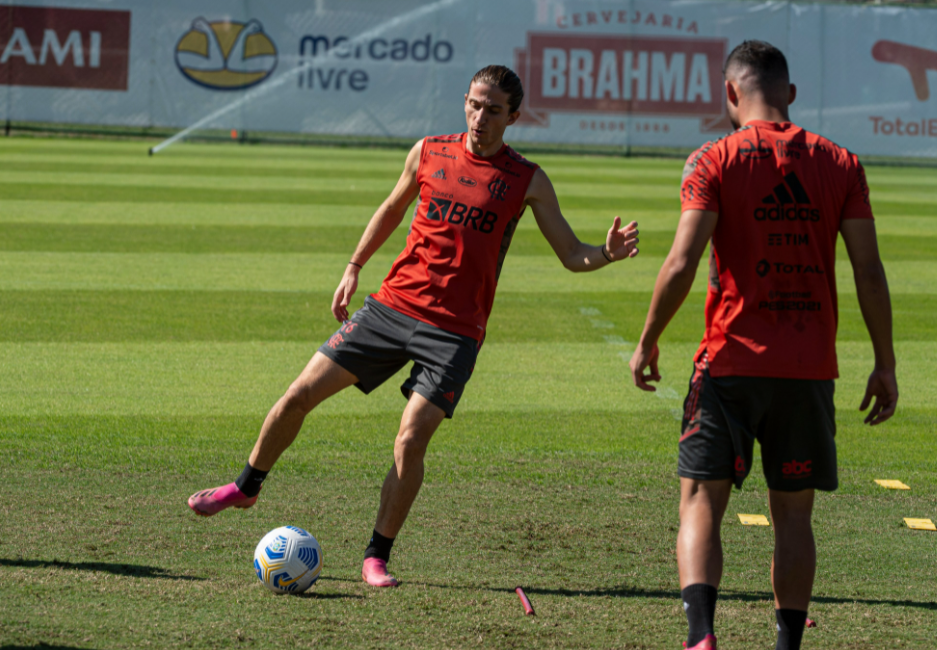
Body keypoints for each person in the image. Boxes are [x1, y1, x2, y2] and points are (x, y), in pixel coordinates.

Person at [188, 65, 639, 587]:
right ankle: (246, 486)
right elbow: (391, 208)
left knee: (410, 439)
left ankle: (376, 556)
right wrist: (354, 266)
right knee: (297, 395)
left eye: (494, 110)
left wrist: (604, 254)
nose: (480, 117)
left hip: (454, 333)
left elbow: (571, 254)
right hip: (390, 308)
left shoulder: (527, 179)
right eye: (474, 104)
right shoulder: (428, 151)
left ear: (514, 117)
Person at [629, 41, 897, 650]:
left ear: (730, 92)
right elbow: (870, 272)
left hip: (727, 364)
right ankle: (786, 646)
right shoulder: (843, 163)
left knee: (699, 502)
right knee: (794, 517)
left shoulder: (712, 159)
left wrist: (647, 341)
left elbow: (680, 261)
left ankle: (702, 637)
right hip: (807, 371)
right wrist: (884, 363)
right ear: (790, 95)